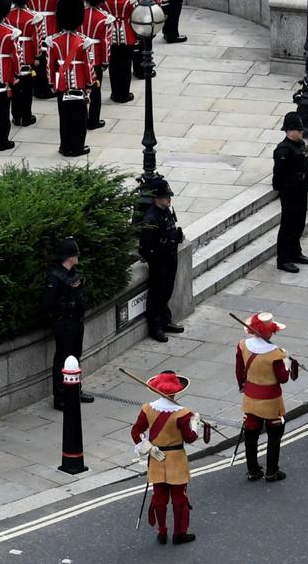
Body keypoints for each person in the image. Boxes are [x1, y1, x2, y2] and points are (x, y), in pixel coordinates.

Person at [133, 370, 209, 546]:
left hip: (157, 458)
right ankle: (179, 533)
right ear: (175, 391)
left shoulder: (147, 409)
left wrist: (148, 448)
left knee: (159, 496)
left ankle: (162, 532)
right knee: (179, 497)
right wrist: (195, 423)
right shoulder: (183, 413)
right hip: (176, 460)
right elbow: (190, 438)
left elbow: (136, 431)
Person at [235, 311, 295, 483]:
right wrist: (287, 362)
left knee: (251, 435)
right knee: (275, 434)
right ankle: (271, 471)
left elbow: (239, 371)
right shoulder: (276, 353)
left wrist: (242, 387)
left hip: (250, 398)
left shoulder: (242, 345)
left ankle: (253, 471)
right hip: (271, 400)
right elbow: (283, 378)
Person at [137, 173, 185, 343]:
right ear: (157, 198)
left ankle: (166, 320)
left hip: (170, 256)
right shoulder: (151, 217)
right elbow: (147, 245)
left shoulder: (166, 211)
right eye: (166, 197)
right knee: (157, 294)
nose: (169, 200)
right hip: (159, 261)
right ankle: (155, 327)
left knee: (167, 291)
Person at [43, 237, 91, 408]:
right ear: (69, 256)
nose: (78, 257)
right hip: (64, 324)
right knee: (63, 360)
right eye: (75, 254)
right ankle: (61, 397)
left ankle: (75, 391)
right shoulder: (55, 278)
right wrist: (62, 315)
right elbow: (48, 304)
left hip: (76, 321)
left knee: (76, 358)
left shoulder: (74, 274)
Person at [272, 115, 308, 272]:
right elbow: (279, 175)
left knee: (299, 222)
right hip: (290, 192)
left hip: (301, 190)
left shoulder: (301, 145)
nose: (302, 132)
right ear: (290, 131)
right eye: (299, 129)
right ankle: (283, 260)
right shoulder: (284, 150)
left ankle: (295, 252)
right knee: (288, 225)